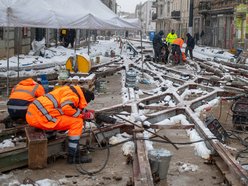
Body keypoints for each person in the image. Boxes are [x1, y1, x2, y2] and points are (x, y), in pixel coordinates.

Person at [26, 85, 95, 164]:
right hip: (41, 118)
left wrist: (83, 112)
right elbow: (67, 108)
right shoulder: (74, 96)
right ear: (84, 98)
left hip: (32, 115)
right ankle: (73, 156)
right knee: (77, 122)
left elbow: (67, 107)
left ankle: (50, 132)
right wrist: (82, 115)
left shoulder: (69, 90)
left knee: (68, 117)